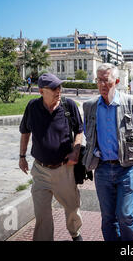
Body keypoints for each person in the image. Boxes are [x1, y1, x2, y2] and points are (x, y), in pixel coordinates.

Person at [82, 63, 133, 241]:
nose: (102, 84)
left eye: (106, 80)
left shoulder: (132, 104)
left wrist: (127, 153)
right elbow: (88, 134)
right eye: (99, 80)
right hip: (102, 169)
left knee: (125, 215)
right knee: (108, 218)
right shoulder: (89, 106)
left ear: (116, 81)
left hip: (126, 169)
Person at [19, 73, 84, 241]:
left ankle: (75, 234)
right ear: (41, 91)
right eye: (54, 88)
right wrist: (22, 156)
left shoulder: (68, 105)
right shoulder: (32, 107)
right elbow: (25, 131)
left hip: (64, 169)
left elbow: (79, 130)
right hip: (40, 170)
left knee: (72, 207)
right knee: (42, 213)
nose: (58, 90)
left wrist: (75, 151)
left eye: (59, 87)